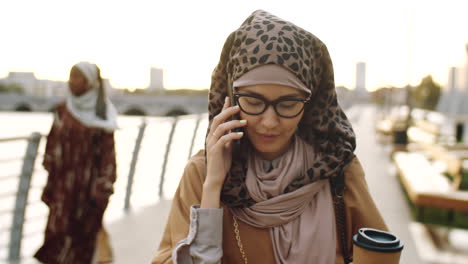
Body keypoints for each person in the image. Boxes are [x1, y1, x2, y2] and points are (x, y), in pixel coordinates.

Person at [152, 10, 387, 264]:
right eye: (253, 101)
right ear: (230, 99)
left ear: (309, 103)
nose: (269, 122)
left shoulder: (337, 170)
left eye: (287, 104)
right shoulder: (202, 174)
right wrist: (213, 189)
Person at [35, 61, 118, 264]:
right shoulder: (63, 110)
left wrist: (101, 190)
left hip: (88, 195)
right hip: (62, 192)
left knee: (82, 246)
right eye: (70, 76)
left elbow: (108, 157)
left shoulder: (103, 113)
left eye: (76, 77)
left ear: (89, 82)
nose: (71, 82)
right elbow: (51, 146)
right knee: (56, 241)